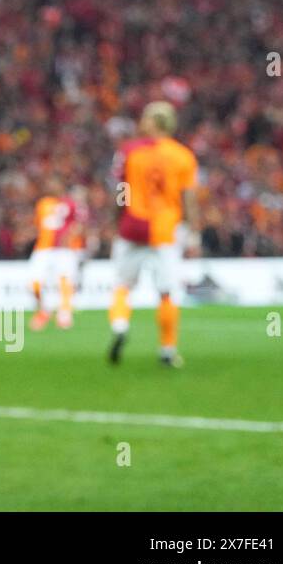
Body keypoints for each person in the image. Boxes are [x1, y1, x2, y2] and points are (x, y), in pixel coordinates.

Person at [107, 101, 200, 367]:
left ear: (154, 122)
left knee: (122, 286)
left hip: (132, 226)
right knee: (167, 292)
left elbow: (121, 191)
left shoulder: (129, 152)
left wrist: (117, 219)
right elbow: (188, 196)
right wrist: (193, 231)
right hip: (166, 230)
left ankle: (121, 325)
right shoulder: (183, 155)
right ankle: (168, 350)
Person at [27, 177, 84, 331]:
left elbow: (79, 224)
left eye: (54, 183)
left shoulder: (70, 203)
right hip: (43, 249)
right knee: (34, 282)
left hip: (64, 249)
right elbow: (39, 226)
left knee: (65, 280)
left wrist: (70, 237)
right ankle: (44, 310)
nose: (51, 185)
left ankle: (64, 314)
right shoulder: (43, 204)